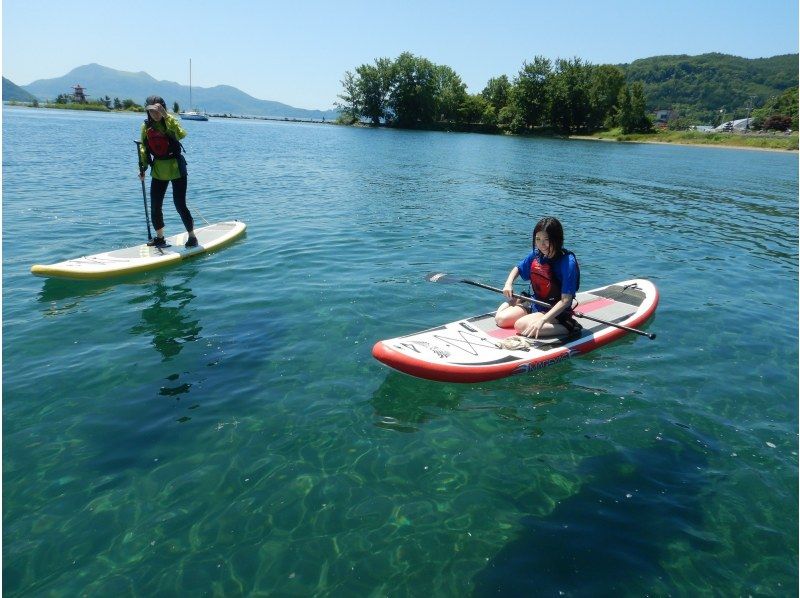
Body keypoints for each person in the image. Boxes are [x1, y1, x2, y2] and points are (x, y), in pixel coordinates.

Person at [495, 216, 582, 339]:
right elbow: (518, 269)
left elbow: (566, 300)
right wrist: (508, 284)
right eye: (538, 239)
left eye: (547, 239)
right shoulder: (536, 254)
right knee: (501, 319)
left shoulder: (568, 262)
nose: (542, 244)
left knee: (520, 326)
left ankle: (569, 326)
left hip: (556, 310)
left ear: (557, 239)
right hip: (536, 302)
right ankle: (525, 307)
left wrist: (543, 320)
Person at [138, 95, 198, 248]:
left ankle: (192, 236)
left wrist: (167, 116)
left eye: (158, 111)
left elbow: (181, 134)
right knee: (155, 205)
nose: (154, 114)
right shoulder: (146, 127)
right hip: (158, 170)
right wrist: (143, 167)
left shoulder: (169, 122)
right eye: (151, 111)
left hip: (176, 168)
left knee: (179, 204)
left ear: (163, 109)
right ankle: (160, 238)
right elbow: (144, 148)